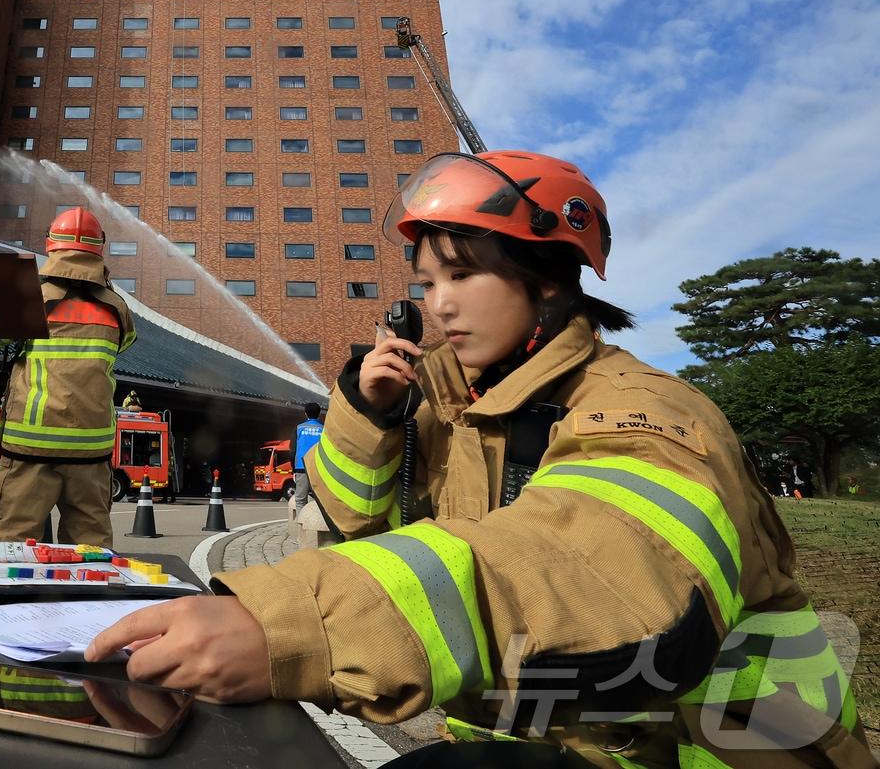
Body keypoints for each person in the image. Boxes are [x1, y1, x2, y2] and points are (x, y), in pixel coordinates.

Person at [89, 151, 869, 768]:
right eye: (426, 282)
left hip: (703, 750)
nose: (439, 304)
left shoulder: (649, 407)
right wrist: (369, 415)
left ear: (549, 281)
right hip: (545, 736)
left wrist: (285, 623)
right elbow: (343, 516)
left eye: (464, 273)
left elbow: (592, 565)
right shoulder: (446, 401)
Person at [0, 207, 135, 547]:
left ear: (51, 246)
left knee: (14, 546)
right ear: (99, 250)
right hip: (91, 452)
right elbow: (124, 345)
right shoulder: (117, 307)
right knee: (90, 548)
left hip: (30, 448)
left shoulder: (32, 298)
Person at [291, 402, 323, 511]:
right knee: (320, 500)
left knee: (300, 500)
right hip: (319, 467)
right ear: (319, 414)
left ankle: (302, 526)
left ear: (305, 414)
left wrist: (293, 469)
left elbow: (293, 450)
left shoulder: (299, 428)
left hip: (301, 467)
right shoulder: (324, 429)